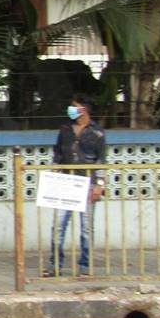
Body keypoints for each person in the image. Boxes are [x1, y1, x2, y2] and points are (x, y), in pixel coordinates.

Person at [48, 94, 107, 275]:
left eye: (74, 107)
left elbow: (101, 161)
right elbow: (57, 155)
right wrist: (53, 177)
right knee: (58, 226)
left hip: (87, 183)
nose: (71, 110)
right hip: (66, 182)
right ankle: (55, 265)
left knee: (86, 228)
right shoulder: (65, 130)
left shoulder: (97, 132)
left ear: (84, 109)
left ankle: (84, 266)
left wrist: (99, 185)